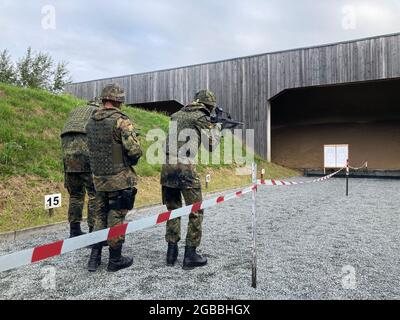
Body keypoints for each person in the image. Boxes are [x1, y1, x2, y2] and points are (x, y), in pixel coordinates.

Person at [161, 89, 222, 270]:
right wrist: (218, 128)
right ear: (208, 105)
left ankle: (171, 254)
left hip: (166, 166)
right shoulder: (201, 116)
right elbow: (211, 145)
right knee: (196, 210)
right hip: (185, 167)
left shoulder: (176, 114)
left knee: (173, 209)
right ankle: (190, 255)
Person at [86, 84, 143, 272]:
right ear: (119, 100)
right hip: (119, 178)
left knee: (99, 216)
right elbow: (134, 150)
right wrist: (131, 159)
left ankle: (94, 259)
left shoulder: (91, 120)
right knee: (116, 216)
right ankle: (115, 259)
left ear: (103, 99)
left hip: (99, 178)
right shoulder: (121, 121)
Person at [61, 101, 98, 238]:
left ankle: (74, 230)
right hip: (86, 152)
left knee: (75, 194)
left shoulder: (75, 113)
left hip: (68, 154)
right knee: (95, 194)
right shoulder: (96, 112)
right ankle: (93, 233)